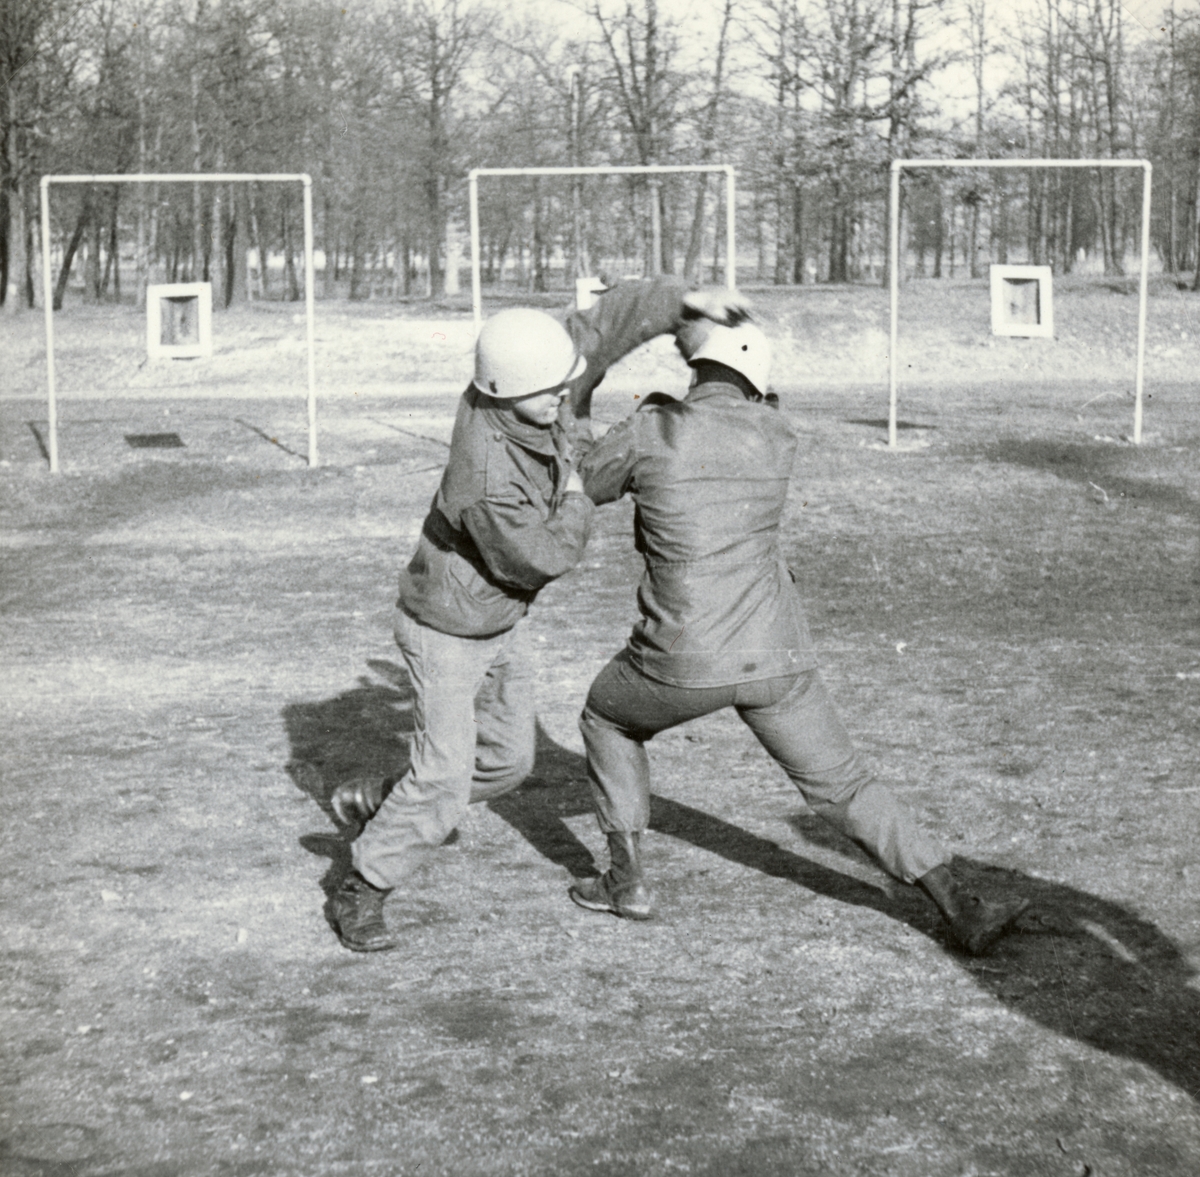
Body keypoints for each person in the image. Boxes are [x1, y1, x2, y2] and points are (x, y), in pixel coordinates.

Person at [568, 317, 1029, 956]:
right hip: (777, 650)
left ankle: (626, 881)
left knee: (606, 718)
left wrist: (582, 395)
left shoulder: (654, 429)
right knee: (844, 784)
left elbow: (583, 481)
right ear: (758, 380)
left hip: (682, 656)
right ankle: (959, 904)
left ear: (694, 368)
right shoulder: (777, 432)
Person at [328, 278, 748, 952]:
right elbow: (542, 557)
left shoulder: (527, 378)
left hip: (498, 620)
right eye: (552, 389)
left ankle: (384, 800)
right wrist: (579, 494)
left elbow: (596, 328)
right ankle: (363, 884)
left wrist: (683, 304)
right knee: (441, 780)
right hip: (446, 629)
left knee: (505, 764)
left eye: (565, 384)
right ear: (503, 392)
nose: (564, 395)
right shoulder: (485, 481)